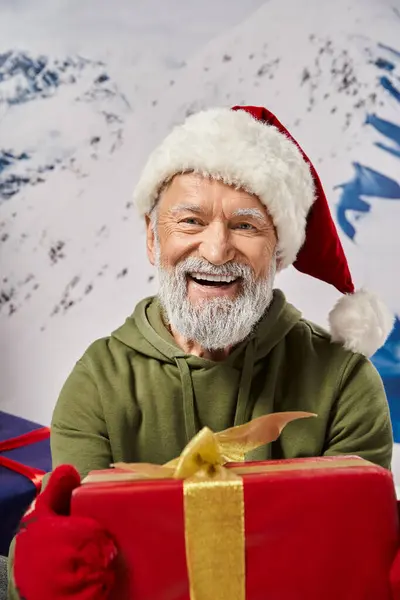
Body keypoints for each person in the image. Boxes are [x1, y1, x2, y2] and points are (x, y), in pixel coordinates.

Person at [8, 105, 394, 599]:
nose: (215, 251)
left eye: (246, 226)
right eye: (191, 220)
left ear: (279, 253)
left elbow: (348, 558)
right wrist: (40, 568)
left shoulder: (344, 383)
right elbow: (69, 536)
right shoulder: (98, 383)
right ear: (153, 239)